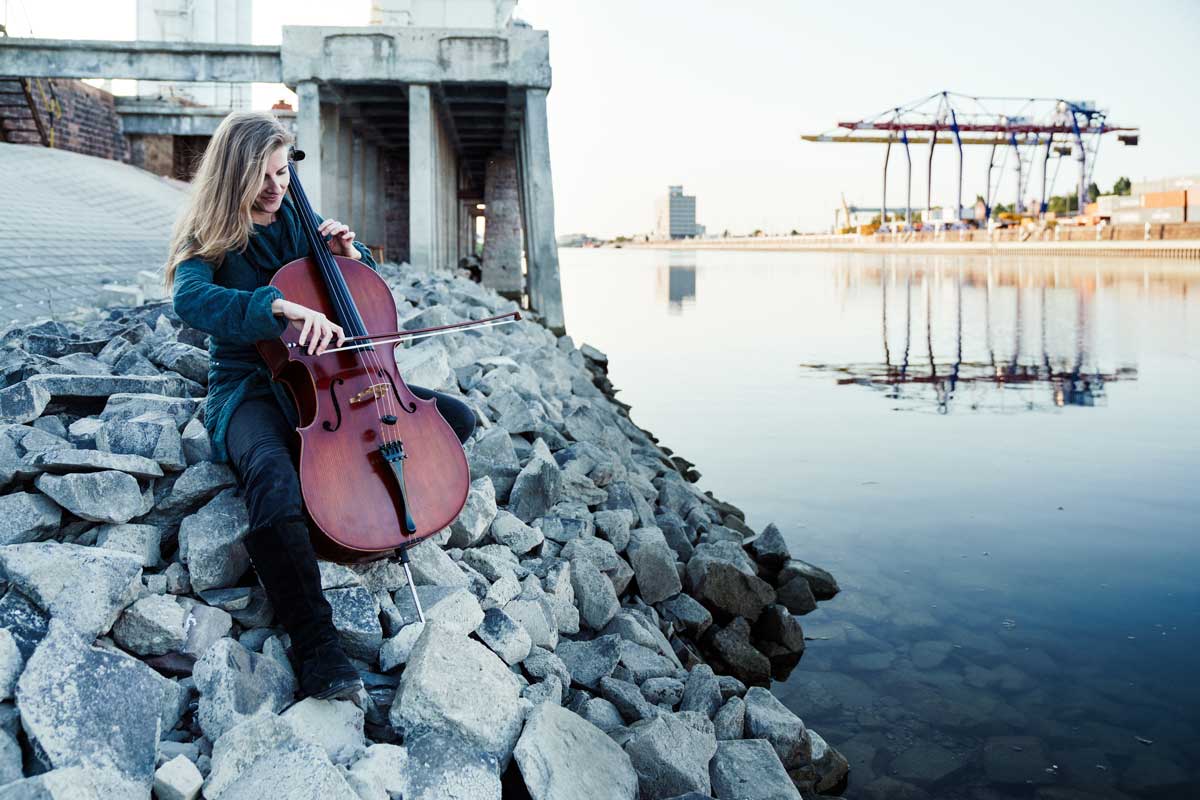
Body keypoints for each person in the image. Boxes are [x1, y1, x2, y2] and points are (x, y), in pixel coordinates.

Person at [167, 111, 475, 700]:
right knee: (273, 484)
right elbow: (192, 299)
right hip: (252, 387)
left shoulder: (299, 221)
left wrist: (350, 257)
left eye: (283, 173)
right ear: (233, 176)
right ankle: (315, 644)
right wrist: (276, 309)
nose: (276, 188)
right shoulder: (206, 237)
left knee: (453, 421)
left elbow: (362, 299)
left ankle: (355, 502)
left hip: (336, 381)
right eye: (262, 177)